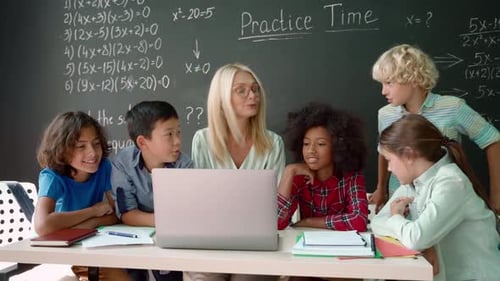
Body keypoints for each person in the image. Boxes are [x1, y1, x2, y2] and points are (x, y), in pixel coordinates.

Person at [369, 43, 500, 214]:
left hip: (444, 203)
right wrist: (381, 189)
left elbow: (492, 140)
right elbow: (384, 153)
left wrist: (497, 195)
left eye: (389, 83)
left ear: (412, 78)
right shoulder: (385, 114)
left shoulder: (453, 107)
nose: (383, 91)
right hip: (402, 203)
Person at [187, 63, 285, 281]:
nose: (252, 96)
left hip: (256, 242)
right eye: (241, 90)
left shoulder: (273, 143)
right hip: (211, 241)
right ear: (221, 99)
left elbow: (277, 203)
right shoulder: (202, 140)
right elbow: (199, 201)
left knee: (250, 277)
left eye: (255, 89)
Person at [371, 114, 500, 281]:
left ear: (409, 155)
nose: (388, 168)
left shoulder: (451, 182)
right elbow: (378, 222)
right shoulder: (413, 182)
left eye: (389, 160)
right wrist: (425, 242)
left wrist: (399, 218)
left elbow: (416, 237)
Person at [34, 111, 131, 281]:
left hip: (92, 243)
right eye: (81, 146)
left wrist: (90, 224)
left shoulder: (104, 168)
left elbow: (117, 213)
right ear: (62, 150)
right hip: (64, 250)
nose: (92, 153)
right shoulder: (52, 176)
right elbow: (43, 226)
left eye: (96, 144)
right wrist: (93, 211)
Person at [111, 101, 192, 281]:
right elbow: (127, 213)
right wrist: (166, 221)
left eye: (178, 132)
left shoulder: (184, 164)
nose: (177, 141)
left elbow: (186, 214)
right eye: (169, 134)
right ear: (142, 142)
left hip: (174, 240)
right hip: (137, 238)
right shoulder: (123, 163)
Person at [277, 102, 369, 232]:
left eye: (320, 144)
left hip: (344, 244)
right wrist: (288, 171)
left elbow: (359, 220)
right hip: (307, 246)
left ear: (337, 146)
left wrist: (309, 222)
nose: (311, 150)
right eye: (306, 143)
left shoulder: (351, 175)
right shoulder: (298, 177)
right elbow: (276, 223)